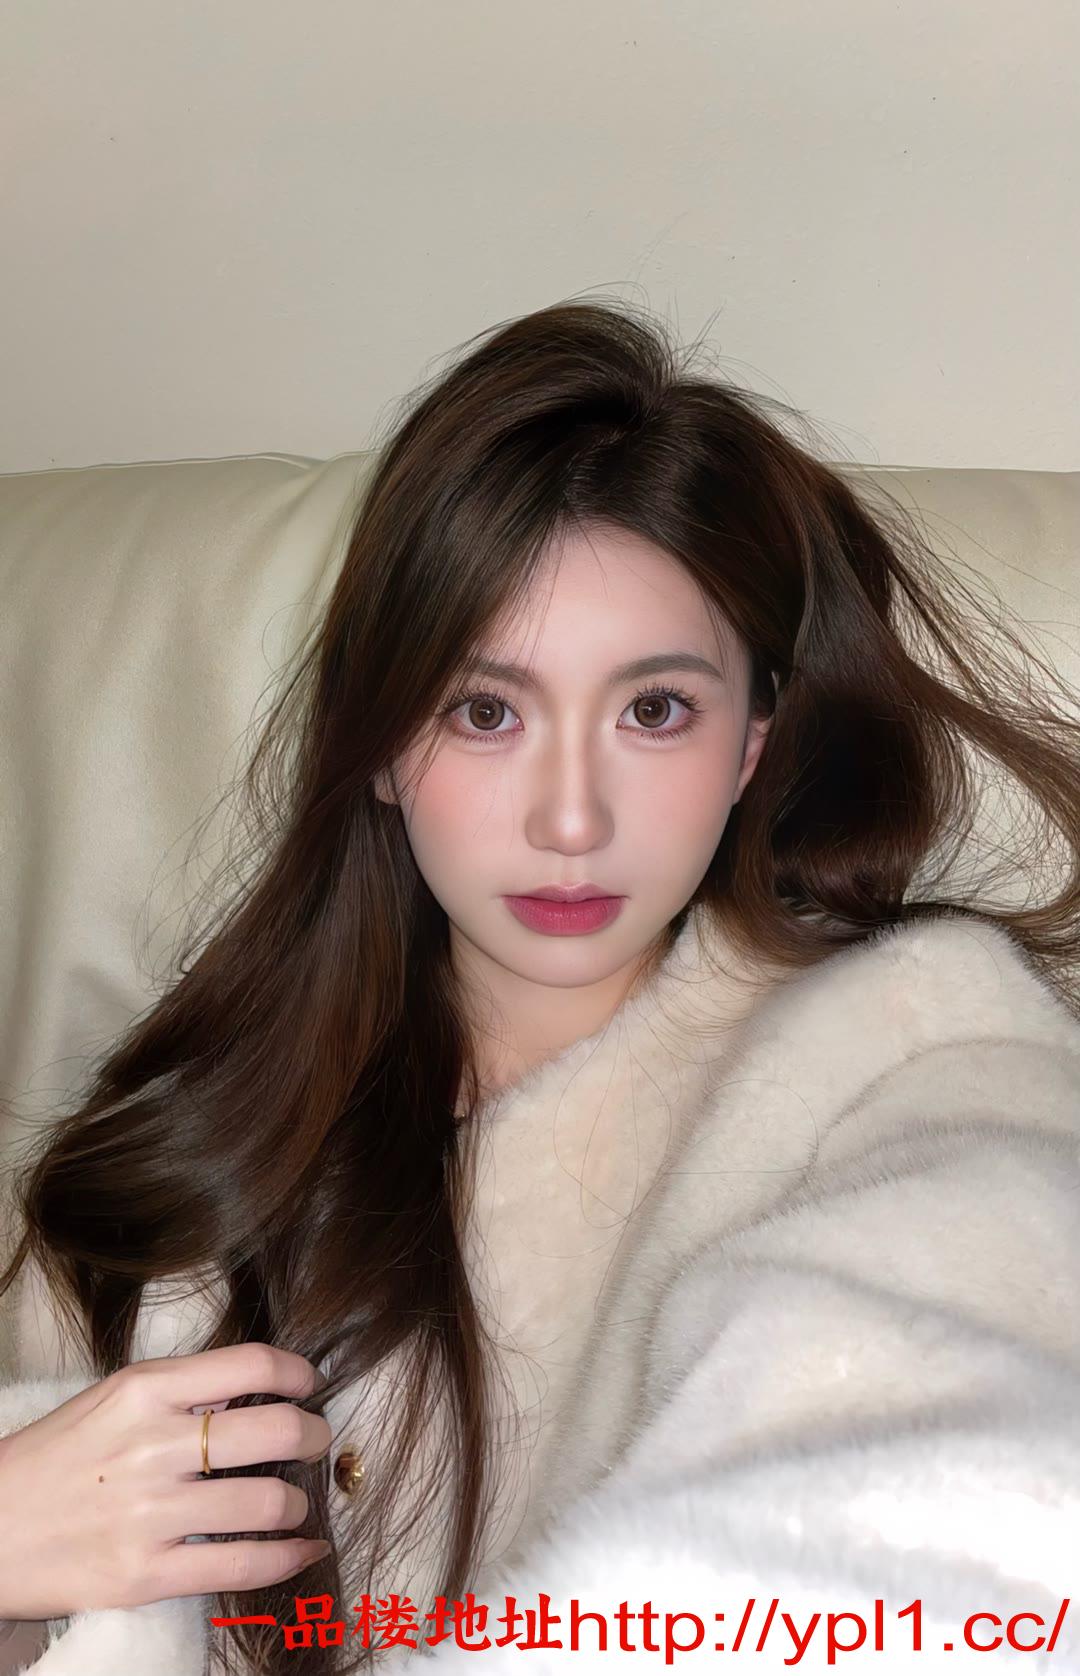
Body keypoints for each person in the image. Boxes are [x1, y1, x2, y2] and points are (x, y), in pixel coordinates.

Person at [2, 297, 1080, 1675]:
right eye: (486, 711)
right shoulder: (192, 1140)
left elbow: (948, 1492)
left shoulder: (916, 1059)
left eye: (654, 711)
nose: (571, 819)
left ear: (754, 742)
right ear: (382, 743)